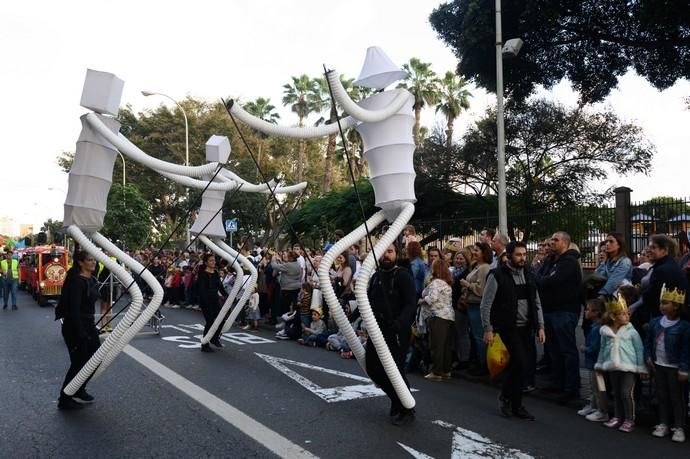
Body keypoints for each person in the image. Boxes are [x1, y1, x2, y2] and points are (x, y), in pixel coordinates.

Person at [480, 241, 545, 420]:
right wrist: (488, 328)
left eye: (524, 254)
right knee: (521, 363)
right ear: (508, 256)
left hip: (527, 328)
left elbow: (536, 302)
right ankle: (507, 398)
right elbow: (486, 304)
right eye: (518, 254)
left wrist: (540, 326)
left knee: (519, 367)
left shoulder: (530, 274)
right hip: (508, 328)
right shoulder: (497, 275)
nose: (522, 258)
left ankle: (515, 404)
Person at [366, 243, 417, 426]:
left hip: (396, 331)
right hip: (376, 329)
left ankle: (407, 408)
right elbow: (369, 301)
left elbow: (411, 303)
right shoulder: (375, 277)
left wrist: (400, 323)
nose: (386, 255)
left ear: (396, 254)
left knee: (395, 370)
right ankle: (397, 400)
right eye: (384, 252)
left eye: (390, 251)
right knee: (372, 368)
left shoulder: (402, 275)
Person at [537, 231, 583, 403]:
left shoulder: (569, 262)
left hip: (564, 311)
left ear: (565, 242)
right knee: (554, 349)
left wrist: (543, 279)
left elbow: (549, 282)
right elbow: (537, 277)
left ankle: (572, 388)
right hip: (549, 310)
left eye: (555, 240)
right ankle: (558, 382)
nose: (551, 243)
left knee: (567, 350)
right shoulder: (550, 260)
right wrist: (542, 279)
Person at [595, 295, 647, 433]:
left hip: (628, 367)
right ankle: (618, 417)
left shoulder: (632, 331)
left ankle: (630, 419)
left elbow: (639, 349)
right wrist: (600, 364)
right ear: (613, 316)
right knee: (616, 393)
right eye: (623, 314)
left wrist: (641, 367)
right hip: (612, 366)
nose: (627, 315)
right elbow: (602, 349)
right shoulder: (605, 332)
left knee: (626, 393)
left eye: (627, 313)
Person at [54, 251, 100, 410]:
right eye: (90, 260)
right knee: (79, 362)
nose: (93, 262)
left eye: (94, 260)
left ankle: (79, 388)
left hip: (89, 324)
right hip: (74, 326)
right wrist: (81, 332)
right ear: (81, 262)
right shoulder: (76, 282)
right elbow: (73, 310)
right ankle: (64, 398)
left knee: (96, 359)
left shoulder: (92, 279)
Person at [645, 284, 689, 442]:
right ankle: (663, 423)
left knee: (677, 398)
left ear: (676, 306)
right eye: (661, 302)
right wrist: (648, 357)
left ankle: (679, 426)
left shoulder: (683, 326)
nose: (661, 306)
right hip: (659, 365)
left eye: (665, 303)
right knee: (662, 396)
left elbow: (686, 349)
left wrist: (684, 369)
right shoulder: (656, 322)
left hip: (674, 367)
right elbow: (648, 342)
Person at [419, 259, 455, 381]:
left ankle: (436, 372)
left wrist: (421, 301)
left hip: (437, 316)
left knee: (436, 345)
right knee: (445, 345)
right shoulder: (446, 283)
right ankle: (446, 370)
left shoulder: (436, 282)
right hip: (448, 316)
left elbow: (432, 298)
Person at [460, 241, 493, 375]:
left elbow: (482, 290)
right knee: (475, 336)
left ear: (484, 253)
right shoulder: (476, 267)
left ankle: (484, 365)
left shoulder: (484, 268)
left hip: (477, 306)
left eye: (477, 250)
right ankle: (479, 363)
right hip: (471, 306)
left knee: (480, 337)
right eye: (473, 250)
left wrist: (467, 285)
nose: (473, 252)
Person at [579, 298, 609, 422]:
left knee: (599, 388)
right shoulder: (594, 327)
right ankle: (593, 405)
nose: (585, 312)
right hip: (593, 363)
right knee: (594, 387)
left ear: (596, 312)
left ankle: (602, 411)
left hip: (597, 363)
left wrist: (585, 349)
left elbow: (595, 348)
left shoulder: (598, 329)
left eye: (588, 310)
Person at [197, 253, 227, 352]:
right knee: (210, 322)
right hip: (206, 301)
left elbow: (220, 287)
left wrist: (227, 296)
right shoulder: (202, 274)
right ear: (206, 262)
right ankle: (204, 344)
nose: (213, 262)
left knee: (221, 320)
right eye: (211, 260)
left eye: (214, 260)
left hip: (215, 299)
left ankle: (214, 338)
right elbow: (201, 290)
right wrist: (205, 303)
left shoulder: (216, 273)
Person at [594, 232, 633, 297]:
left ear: (619, 245)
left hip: (620, 297)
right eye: (606, 241)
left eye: (611, 241)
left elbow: (613, 281)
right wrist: (603, 262)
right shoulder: (609, 261)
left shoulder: (625, 261)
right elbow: (597, 275)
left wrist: (601, 295)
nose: (607, 244)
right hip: (608, 295)